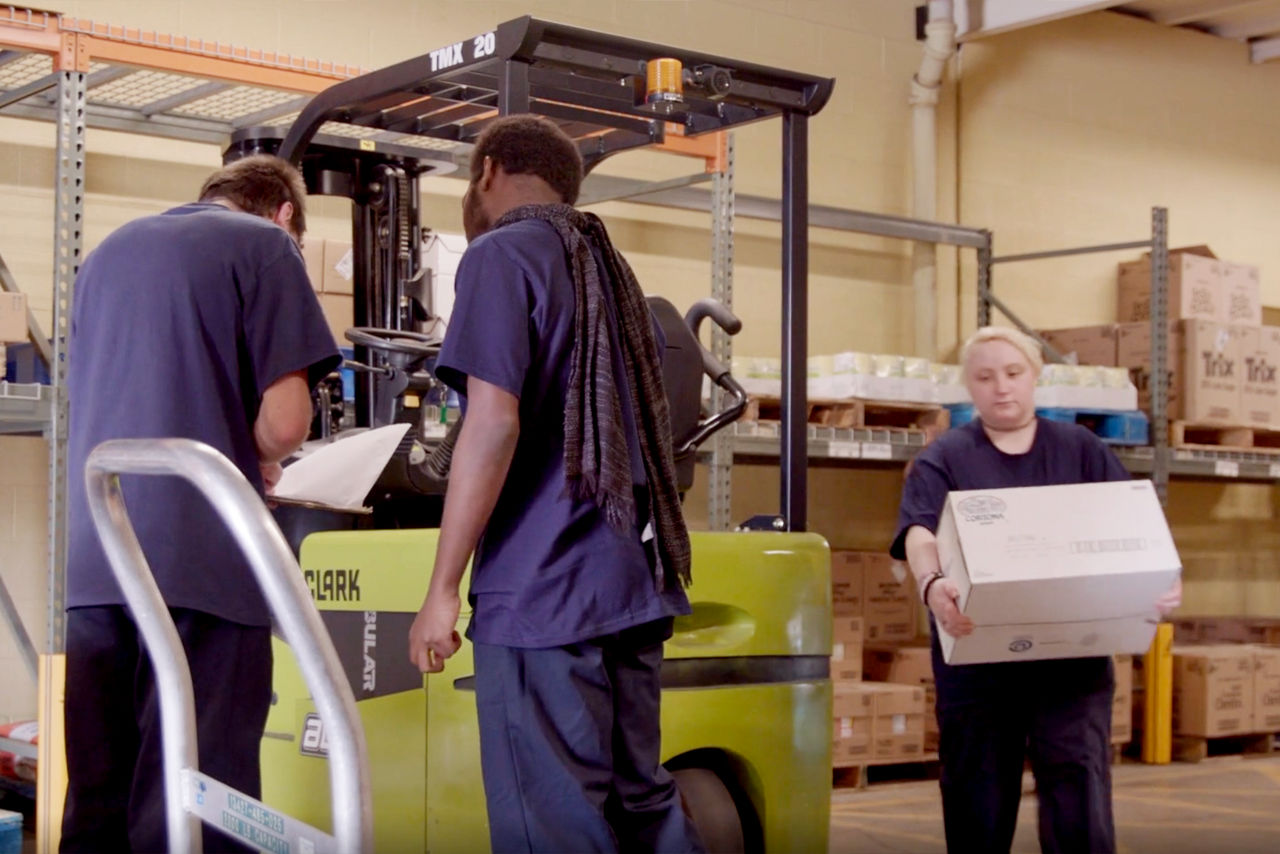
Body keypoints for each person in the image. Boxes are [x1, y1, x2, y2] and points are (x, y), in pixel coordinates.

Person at [406, 115, 705, 854]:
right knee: (640, 805)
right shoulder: (606, 264)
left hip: (543, 593)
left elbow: (492, 423)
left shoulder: (500, 255)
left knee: (550, 822)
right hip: (629, 588)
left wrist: (442, 589)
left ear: (489, 171)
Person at [62, 155, 341, 853]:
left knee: (101, 802)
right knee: (198, 803)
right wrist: (256, 451)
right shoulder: (266, 246)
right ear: (284, 214)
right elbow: (284, 424)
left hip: (100, 562)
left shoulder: (104, 257)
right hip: (203, 561)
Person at [891, 326, 1182, 854]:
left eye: (1013, 373)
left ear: (1035, 377)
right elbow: (919, 531)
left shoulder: (1081, 449)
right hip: (977, 662)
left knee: (1079, 791)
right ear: (969, 387)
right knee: (976, 796)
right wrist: (932, 583)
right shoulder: (947, 457)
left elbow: (1137, 525)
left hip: (1072, 663)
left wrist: (1162, 579)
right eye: (984, 377)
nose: (1001, 387)